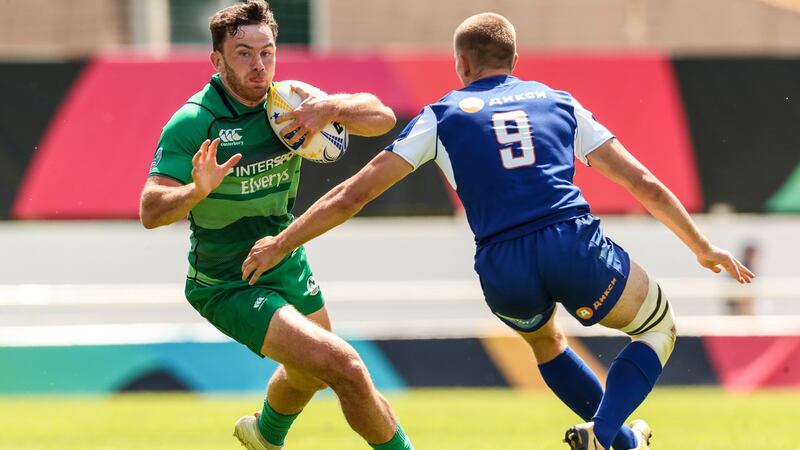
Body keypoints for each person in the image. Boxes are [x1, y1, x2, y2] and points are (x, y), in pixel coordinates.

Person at [240, 12, 755, 450]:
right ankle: (604, 430)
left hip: (501, 267)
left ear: (462, 65)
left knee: (547, 342)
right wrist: (701, 246)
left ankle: (621, 442)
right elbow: (640, 179)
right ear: (515, 60)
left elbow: (353, 194)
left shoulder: (441, 115)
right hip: (569, 243)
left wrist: (283, 242)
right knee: (657, 328)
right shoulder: (558, 102)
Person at [139, 2, 415, 450]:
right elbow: (150, 210)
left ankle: (265, 435)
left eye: (267, 52)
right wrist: (196, 192)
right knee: (344, 366)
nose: (259, 65)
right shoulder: (195, 122)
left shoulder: (290, 102)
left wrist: (332, 106)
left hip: (284, 256)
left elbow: (381, 117)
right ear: (217, 60)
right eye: (244, 53)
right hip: (226, 280)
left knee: (310, 371)